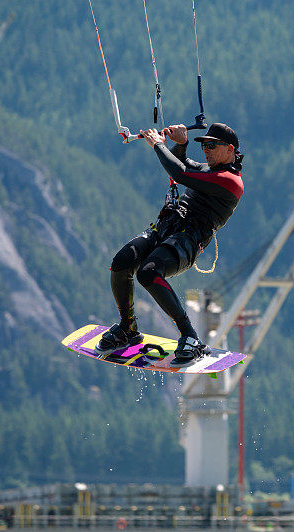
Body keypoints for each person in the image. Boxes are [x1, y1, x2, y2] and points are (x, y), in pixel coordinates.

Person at [95, 122, 244, 365]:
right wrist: (181, 145)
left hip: (188, 239)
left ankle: (190, 337)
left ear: (229, 149)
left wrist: (158, 144)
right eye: (203, 145)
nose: (206, 150)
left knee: (149, 272)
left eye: (211, 145)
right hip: (166, 227)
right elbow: (181, 165)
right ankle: (127, 328)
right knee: (121, 262)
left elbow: (179, 174)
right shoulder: (210, 170)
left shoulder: (230, 181)